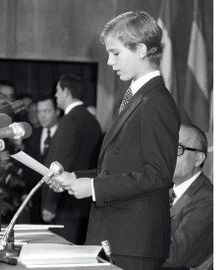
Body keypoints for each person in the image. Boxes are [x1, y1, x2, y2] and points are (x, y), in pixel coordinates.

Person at [44, 11, 180, 270]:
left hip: (134, 241)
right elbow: (121, 168)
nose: (109, 61)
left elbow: (158, 175)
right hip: (117, 236)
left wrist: (94, 188)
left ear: (140, 49)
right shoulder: (137, 97)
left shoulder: (156, 101)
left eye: (115, 53)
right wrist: (75, 177)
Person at [41, 74, 101, 244]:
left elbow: (60, 164)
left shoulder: (69, 120)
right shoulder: (92, 121)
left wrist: (50, 204)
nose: (56, 95)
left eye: (58, 91)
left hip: (65, 205)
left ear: (67, 91)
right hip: (86, 202)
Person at [162, 125, 213, 270]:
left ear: (198, 159)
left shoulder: (208, 200)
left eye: (178, 149)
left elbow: (172, 256)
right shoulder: (163, 189)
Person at [20, 95, 60, 224]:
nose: (41, 116)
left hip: (58, 204)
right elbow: (27, 167)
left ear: (57, 111)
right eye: (39, 112)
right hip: (34, 202)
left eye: (46, 111)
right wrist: (25, 192)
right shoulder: (32, 135)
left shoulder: (65, 135)